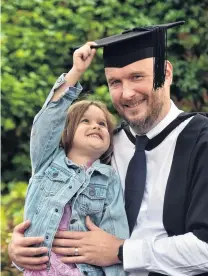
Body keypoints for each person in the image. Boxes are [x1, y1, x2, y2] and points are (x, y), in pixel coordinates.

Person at [8, 21, 208, 276]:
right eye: (115, 82)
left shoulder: (201, 139)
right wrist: (23, 250)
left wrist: (122, 252)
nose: (126, 94)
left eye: (137, 77)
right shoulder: (105, 145)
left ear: (166, 73)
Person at [14, 41, 129, 276]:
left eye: (102, 124)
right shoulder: (47, 161)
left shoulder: (108, 179)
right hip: (43, 269)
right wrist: (76, 72)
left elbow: (115, 232)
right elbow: (48, 120)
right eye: (85, 121)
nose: (96, 126)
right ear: (66, 132)